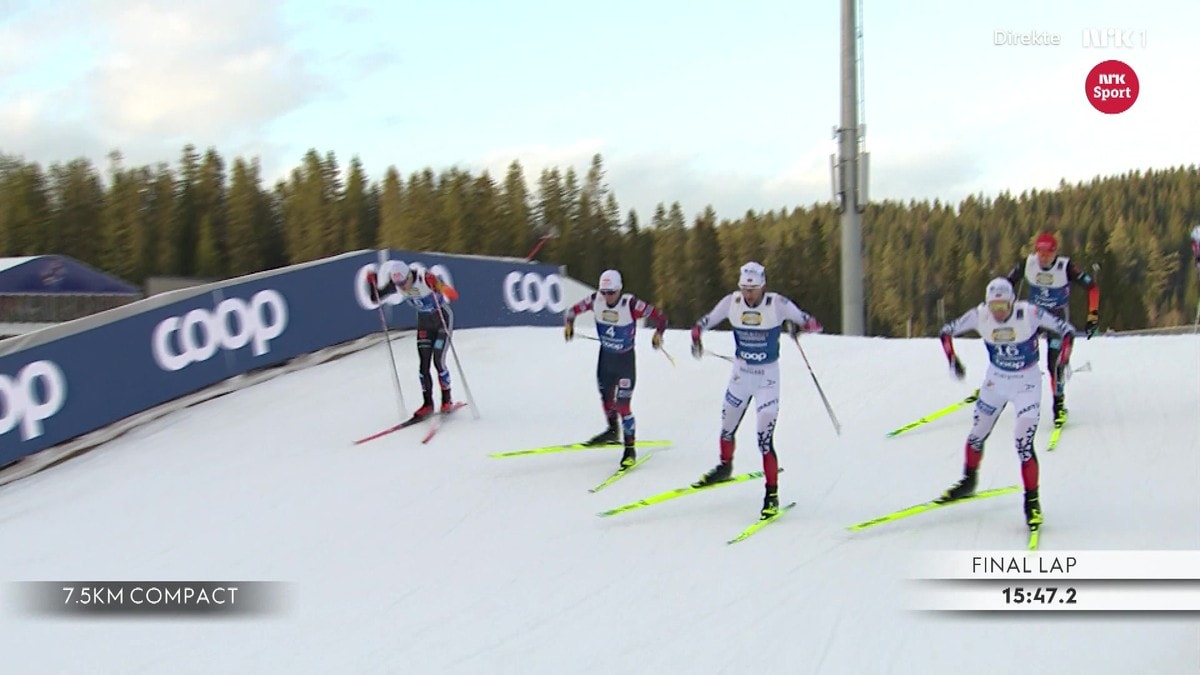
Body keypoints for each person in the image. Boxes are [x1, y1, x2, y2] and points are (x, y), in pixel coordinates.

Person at [937, 277, 1076, 531]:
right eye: (994, 307)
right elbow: (945, 332)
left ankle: (1031, 503)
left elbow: (1067, 330)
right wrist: (952, 359)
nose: (998, 313)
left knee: (1023, 443)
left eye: (1003, 307)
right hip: (996, 381)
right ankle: (969, 480)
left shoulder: (1030, 313)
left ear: (1012, 302)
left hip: (1027, 383)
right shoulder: (980, 315)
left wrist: (1063, 360)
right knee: (977, 434)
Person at [688, 261, 823, 520]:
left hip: (767, 378)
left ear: (763, 286)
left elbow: (813, 322)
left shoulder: (777, 304)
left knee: (763, 437)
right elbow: (705, 321)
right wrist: (696, 336)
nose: (748, 295)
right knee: (727, 424)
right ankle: (725, 466)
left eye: (753, 289)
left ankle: (771, 495)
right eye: (744, 289)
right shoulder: (732, 302)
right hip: (741, 374)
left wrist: (801, 327)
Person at [564, 269, 668, 470]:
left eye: (611, 292)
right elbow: (571, 311)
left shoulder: (630, 304)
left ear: (619, 289)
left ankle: (630, 449)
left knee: (623, 405)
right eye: (604, 292)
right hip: (606, 359)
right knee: (605, 397)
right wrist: (569, 325)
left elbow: (661, 317)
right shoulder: (596, 300)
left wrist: (658, 334)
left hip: (625, 362)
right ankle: (612, 431)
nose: (607, 296)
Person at [1003, 231, 1098, 427]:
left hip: (1056, 320)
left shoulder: (1066, 267)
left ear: (1055, 252)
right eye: (1040, 252)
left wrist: (1093, 315)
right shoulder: (1028, 263)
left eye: (1048, 253)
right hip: (1033, 317)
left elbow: (1092, 287)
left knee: (1055, 365)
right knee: (1013, 351)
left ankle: (1059, 406)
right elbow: (1005, 284)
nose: (1044, 257)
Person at [366, 259, 460, 418]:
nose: (403, 287)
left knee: (438, 361)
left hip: (441, 320)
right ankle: (427, 404)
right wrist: (372, 284)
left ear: (409, 275)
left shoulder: (424, 277)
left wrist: (437, 284)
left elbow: (453, 295)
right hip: (424, 323)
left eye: (404, 282)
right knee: (423, 365)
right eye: (399, 284)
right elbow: (375, 298)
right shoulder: (396, 283)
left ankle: (446, 400)